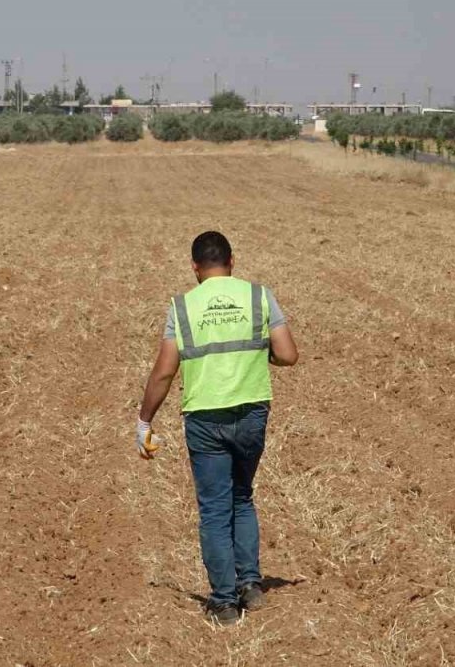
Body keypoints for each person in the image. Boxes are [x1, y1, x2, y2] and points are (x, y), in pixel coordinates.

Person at [134, 230, 299, 626]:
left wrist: (144, 420)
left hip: (205, 418)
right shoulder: (259, 296)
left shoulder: (182, 307)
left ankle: (225, 603)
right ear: (232, 261)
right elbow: (289, 355)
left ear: (194, 267)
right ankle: (251, 586)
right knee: (242, 496)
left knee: (213, 510)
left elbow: (164, 372)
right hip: (252, 413)